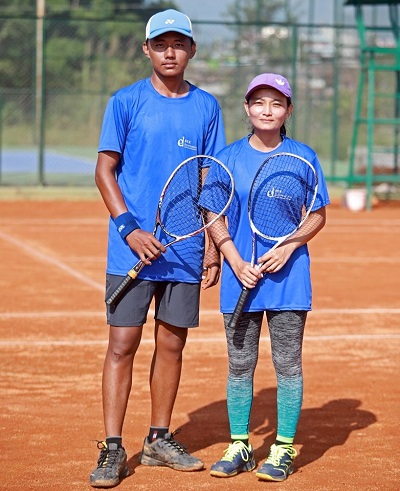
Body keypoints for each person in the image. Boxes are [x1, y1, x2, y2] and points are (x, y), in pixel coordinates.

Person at [89, 9, 226, 488]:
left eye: (179, 44)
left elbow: (211, 177)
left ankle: (158, 438)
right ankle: (111, 447)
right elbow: (105, 170)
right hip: (132, 248)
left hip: (185, 251)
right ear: (146, 49)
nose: (170, 52)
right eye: (161, 44)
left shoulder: (207, 107)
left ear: (191, 50)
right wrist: (129, 228)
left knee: (172, 343)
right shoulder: (125, 102)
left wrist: (212, 244)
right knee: (122, 344)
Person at [203, 73, 330, 482]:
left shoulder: (304, 157)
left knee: (287, 364)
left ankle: (283, 449)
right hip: (240, 276)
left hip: (288, 279)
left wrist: (290, 247)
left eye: (276, 103)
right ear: (246, 108)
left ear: (288, 111)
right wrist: (234, 260)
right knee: (240, 364)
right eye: (259, 102)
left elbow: (317, 214)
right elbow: (213, 214)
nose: (267, 110)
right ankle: (241, 445)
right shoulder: (227, 158)